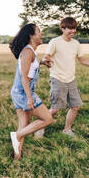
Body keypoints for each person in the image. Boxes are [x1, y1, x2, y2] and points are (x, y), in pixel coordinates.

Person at [35, 17, 89, 138]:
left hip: (71, 79)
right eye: (70, 29)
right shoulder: (55, 42)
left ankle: (67, 130)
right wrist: (45, 60)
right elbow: (47, 56)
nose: (73, 31)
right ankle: (40, 129)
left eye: (74, 28)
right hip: (58, 78)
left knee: (75, 107)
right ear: (62, 28)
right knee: (55, 109)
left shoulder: (76, 44)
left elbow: (82, 60)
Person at [9, 23, 53, 159]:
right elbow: (24, 77)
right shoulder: (27, 51)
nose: (42, 34)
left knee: (24, 124)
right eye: (39, 32)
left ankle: (17, 157)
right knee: (47, 119)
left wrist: (42, 63)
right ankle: (17, 135)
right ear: (31, 35)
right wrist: (29, 98)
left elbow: (29, 66)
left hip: (19, 92)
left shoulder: (30, 51)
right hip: (23, 92)